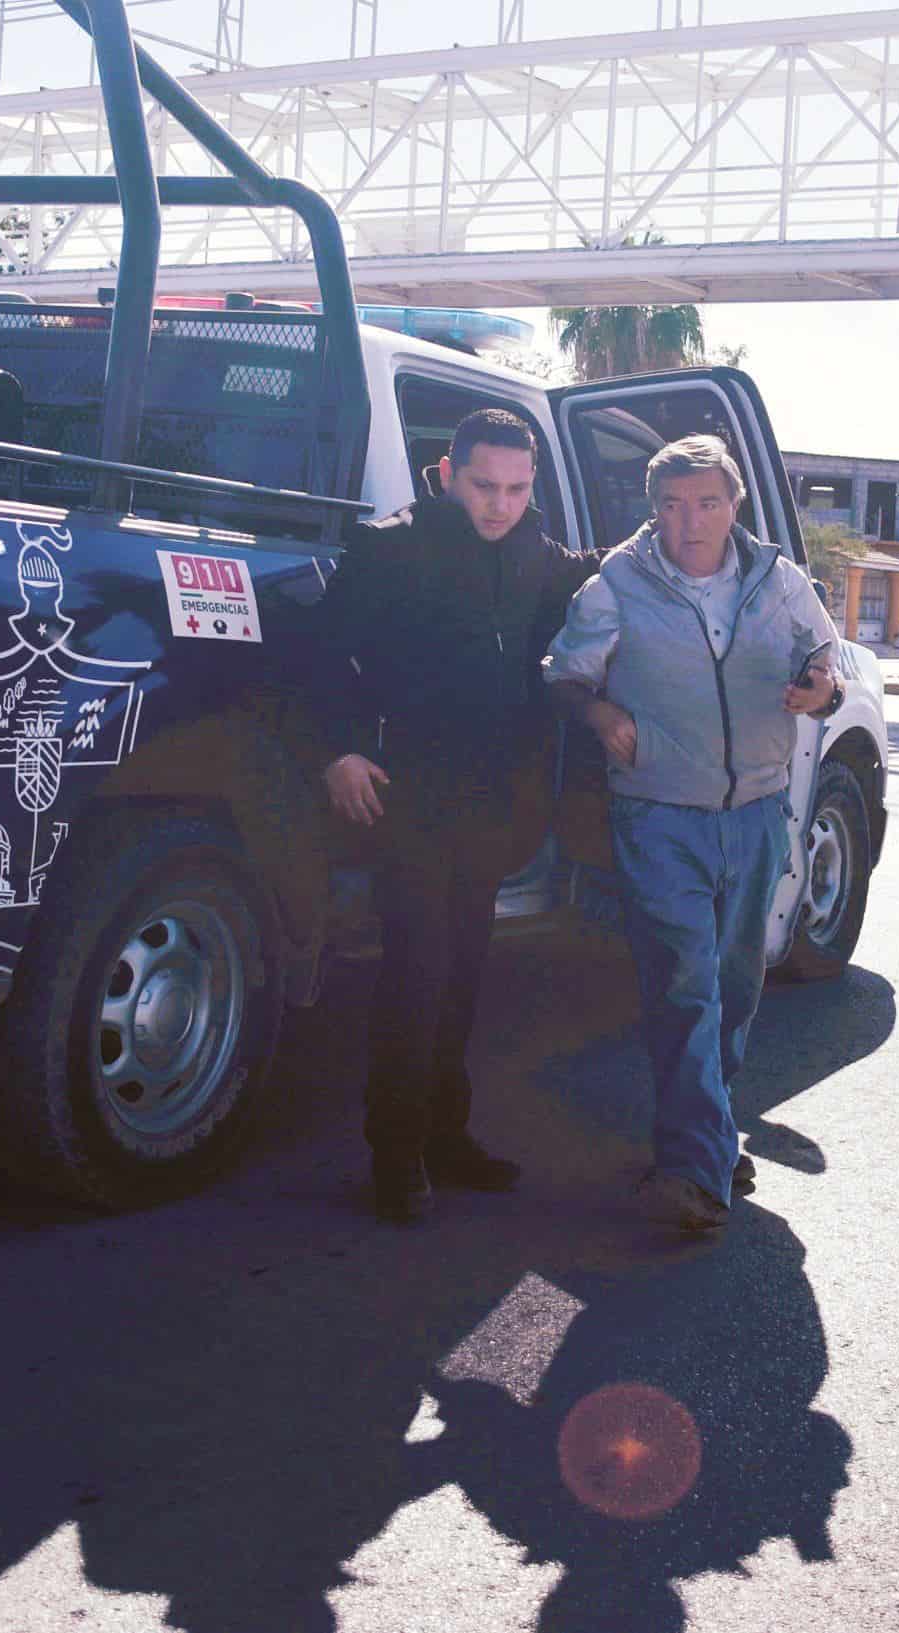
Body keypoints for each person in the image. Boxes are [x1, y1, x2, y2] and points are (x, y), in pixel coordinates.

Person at [544, 435, 846, 1234]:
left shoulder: (778, 581)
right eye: (673, 505)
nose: (691, 522)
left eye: (708, 502)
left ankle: (712, 1136)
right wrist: (601, 712)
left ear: (733, 504)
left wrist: (818, 690)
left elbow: (827, 663)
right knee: (685, 981)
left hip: (756, 812)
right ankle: (693, 1171)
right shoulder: (615, 582)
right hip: (657, 813)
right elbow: (566, 672)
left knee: (737, 985)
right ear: (653, 510)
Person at [310, 408, 601, 1224]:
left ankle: (446, 1137)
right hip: (408, 798)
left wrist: (697, 535)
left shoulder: (536, 554)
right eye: (483, 485)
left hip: (491, 802)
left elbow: (605, 573)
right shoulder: (391, 546)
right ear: (447, 474)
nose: (499, 504)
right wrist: (336, 750)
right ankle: (395, 1156)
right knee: (417, 972)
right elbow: (321, 652)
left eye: (515, 488)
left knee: (465, 972)